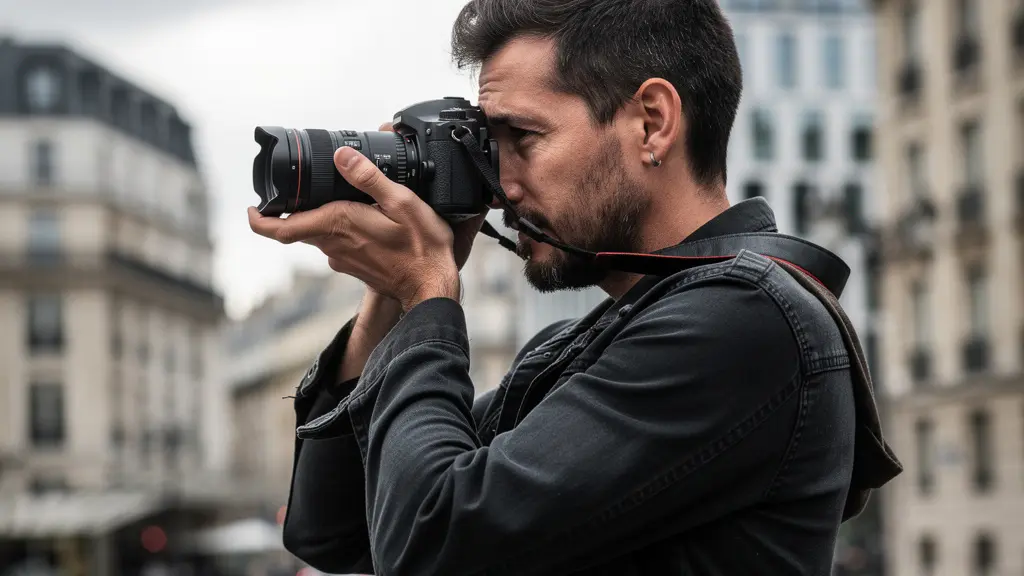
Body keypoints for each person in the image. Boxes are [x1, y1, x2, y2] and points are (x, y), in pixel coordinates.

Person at [247, 0, 900, 574]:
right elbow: (334, 532)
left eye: (521, 138)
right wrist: (388, 297)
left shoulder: (747, 323)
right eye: (485, 146)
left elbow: (432, 547)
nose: (499, 186)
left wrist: (427, 294)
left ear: (651, 122)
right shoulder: (576, 348)